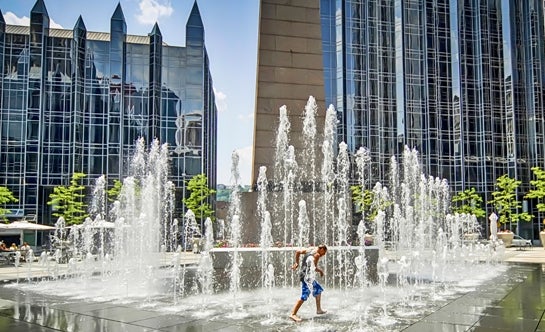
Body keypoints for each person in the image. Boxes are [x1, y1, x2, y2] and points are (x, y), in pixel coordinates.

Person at [289, 244, 328, 322]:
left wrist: (297, 263)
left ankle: (319, 310)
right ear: (321, 249)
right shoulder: (316, 255)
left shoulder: (310, 250)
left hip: (304, 275)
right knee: (304, 295)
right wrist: (320, 271)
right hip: (306, 277)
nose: (323, 255)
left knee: (318, 290)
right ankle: (293, 314)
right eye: (324, 252)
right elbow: (315, 268)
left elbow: (298, 252)